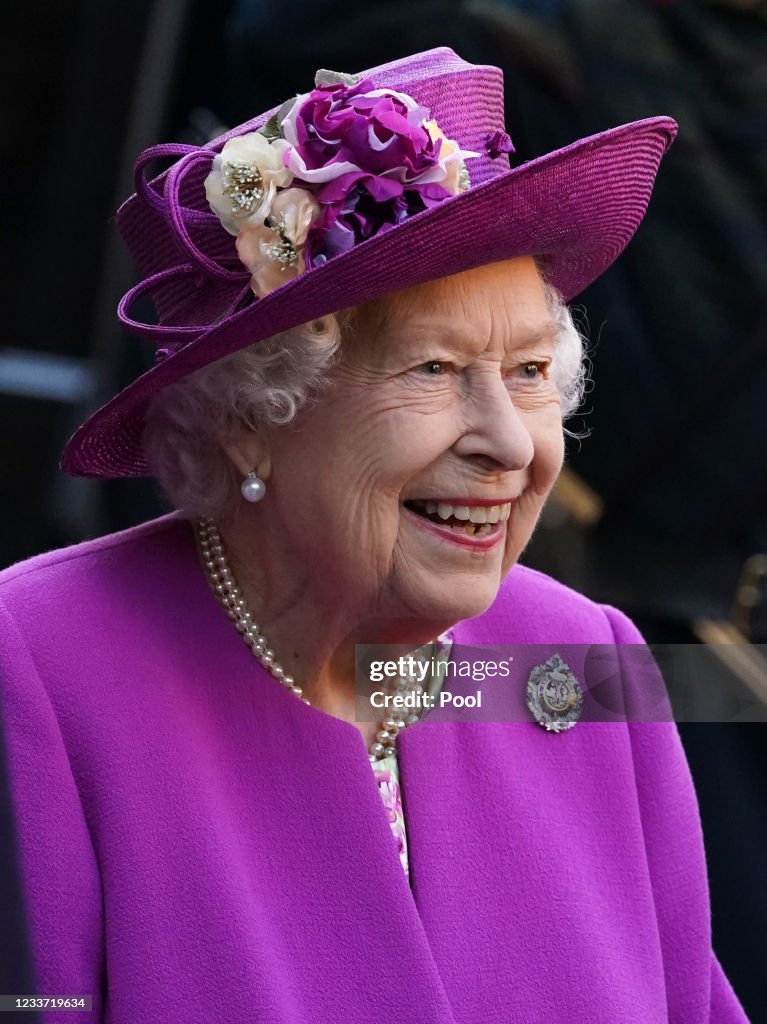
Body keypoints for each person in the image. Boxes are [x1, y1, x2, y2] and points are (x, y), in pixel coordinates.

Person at [0, 47, 749, 1023]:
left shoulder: (580, 663)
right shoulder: (44, 671)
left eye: (527, 372)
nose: (506, 445)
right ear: (250, 412)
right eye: (433, 371)